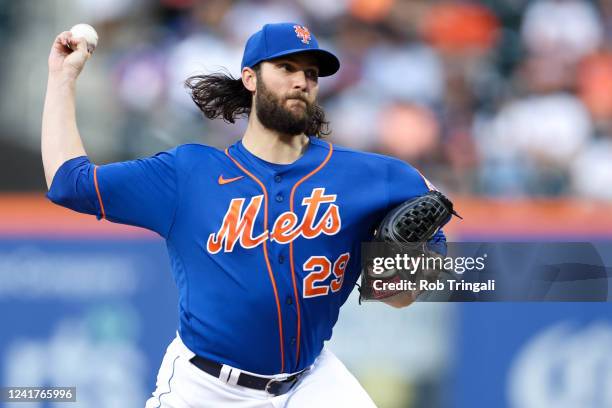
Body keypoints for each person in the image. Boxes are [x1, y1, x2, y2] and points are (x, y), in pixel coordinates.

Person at [42, 22, 446, 407]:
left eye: (311, 73)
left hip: (310, 381)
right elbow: (69, 183)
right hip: (205, 388)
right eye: (286, 67)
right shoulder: (188, 175)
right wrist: (62, 79)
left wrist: (405, 273)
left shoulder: (374, 177)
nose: (301, 81)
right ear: (250, 79)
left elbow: (402, 290)